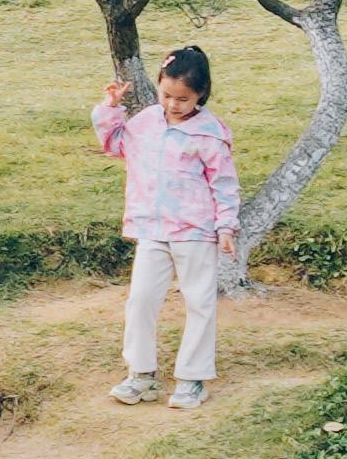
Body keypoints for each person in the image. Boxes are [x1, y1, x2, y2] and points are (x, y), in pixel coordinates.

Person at [94, 42, 242, 408]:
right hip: (152, 230)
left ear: (200, 94)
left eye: (183, 99)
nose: (174, 104)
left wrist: (226, 227)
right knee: (141, 299)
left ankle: (192, 378)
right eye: (167, 95)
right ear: (159, 85)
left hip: (195, 231)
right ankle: (140, 374)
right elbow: (114, 145)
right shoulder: (144, 123)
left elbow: (224, 184)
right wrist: (110, 109)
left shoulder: (210, 134)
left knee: (199, 302)